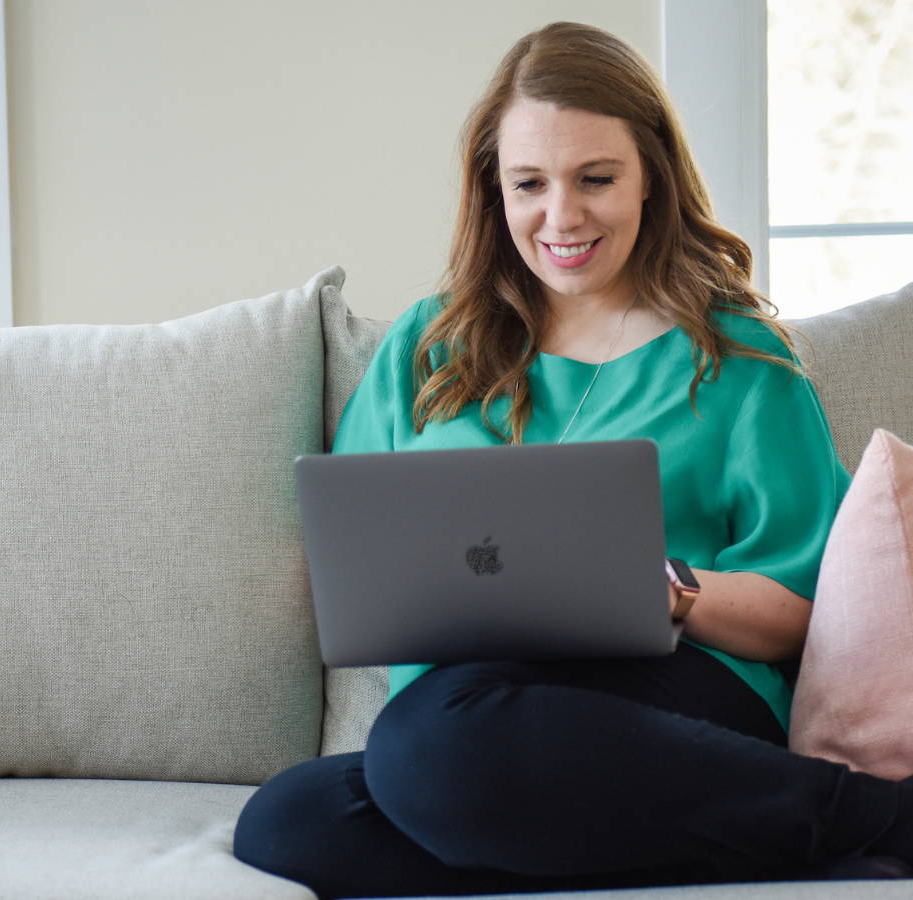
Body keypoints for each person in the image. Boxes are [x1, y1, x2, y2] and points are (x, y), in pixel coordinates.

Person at [233, 20, 913, 899]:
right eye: (530, 184)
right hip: (475, 708)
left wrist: (664, 586)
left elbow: (799, 611)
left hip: (671, 693)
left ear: (651, 179)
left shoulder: (739, 360)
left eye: (596, 178)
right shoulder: (430, 346)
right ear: (494, 190)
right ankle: (761, 838)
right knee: (290, 817)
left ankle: (860, 814)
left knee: (431, 748)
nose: (562, 216)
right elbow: (354, 553)